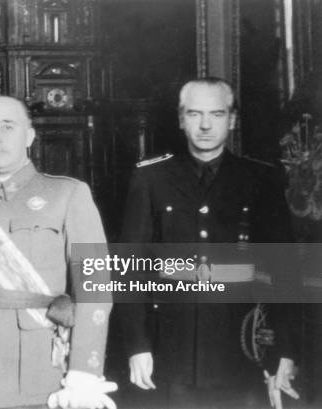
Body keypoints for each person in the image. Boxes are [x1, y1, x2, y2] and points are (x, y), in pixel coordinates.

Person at [119, 77, 299, 408]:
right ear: (180, 119)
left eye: (216, 114)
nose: (204, 125)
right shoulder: (150, 179)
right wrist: (136, 345)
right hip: (170, 345)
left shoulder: (261, 179)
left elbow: (283, 272)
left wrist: (284, 349)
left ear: (232, 119)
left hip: (242, 345)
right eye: (194, 114)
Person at [0, 96, 116, 409]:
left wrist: (84, 370)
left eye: (7, 127)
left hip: (39, 372)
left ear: (29, 136)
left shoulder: (69, 194)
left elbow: (96, 290)